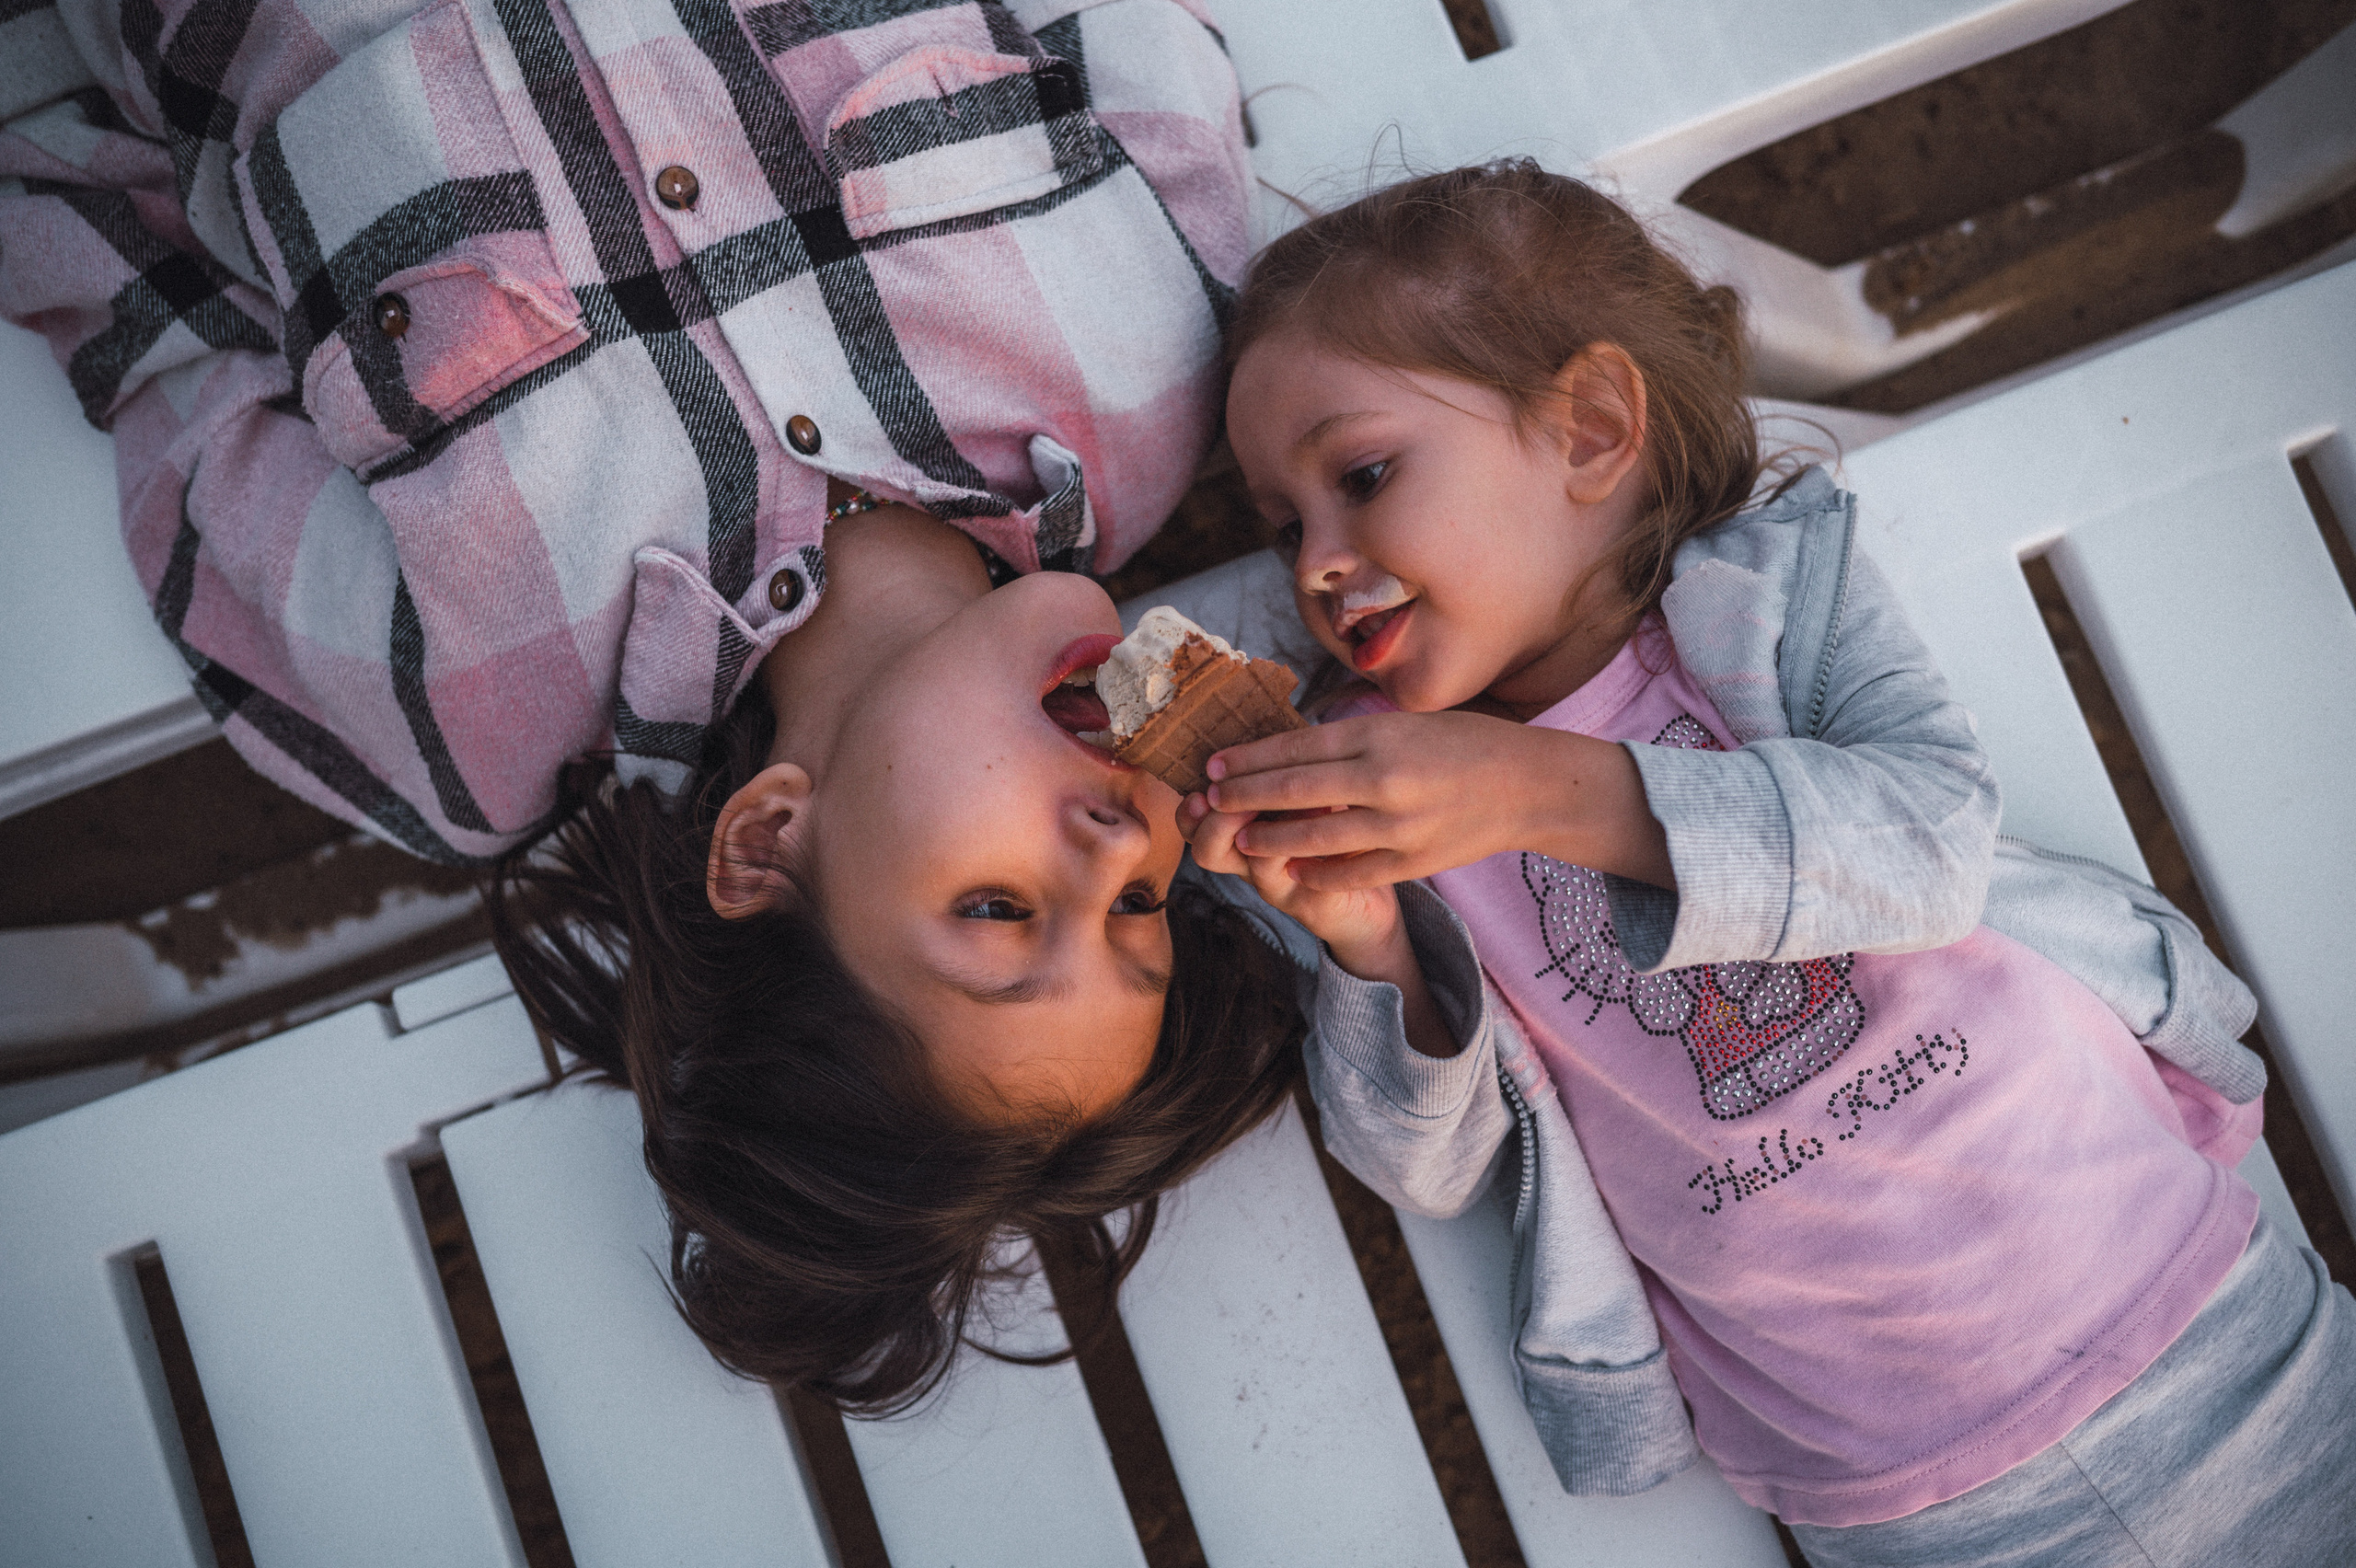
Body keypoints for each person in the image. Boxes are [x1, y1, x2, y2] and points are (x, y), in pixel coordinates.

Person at [0, 0, 1301, 1412]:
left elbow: (146, 314)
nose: (1119, 844)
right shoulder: (1159, 361)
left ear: (768, 842)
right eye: (1139, 910)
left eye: (1001, 911)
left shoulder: (456, 705)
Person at [1183, 161, 2356, 1563]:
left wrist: (1540, 788)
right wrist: (1372, 948)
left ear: (1590, 429)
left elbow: (1925, 845)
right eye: (1284, 523)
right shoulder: (1379, 798)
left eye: (1363, 476)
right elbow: (1431, 1168)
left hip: (2214, 1332)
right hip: (1900, 1502)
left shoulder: (1772, 601)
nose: (1317, 562)